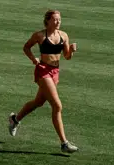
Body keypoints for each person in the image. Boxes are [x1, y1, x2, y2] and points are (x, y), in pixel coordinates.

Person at [8, 9, 79, 153]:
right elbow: (26, 47)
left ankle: (15, 119)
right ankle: (64, 143)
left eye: (59, 19)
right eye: (55, 19)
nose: (58, 22)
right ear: (47, 21)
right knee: (57, 106)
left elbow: (66, 56)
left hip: (55, 72)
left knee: (38, 102)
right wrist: (34, 59)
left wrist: (71, 51)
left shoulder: (63, 36)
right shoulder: (40, 35)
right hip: (43, 71)